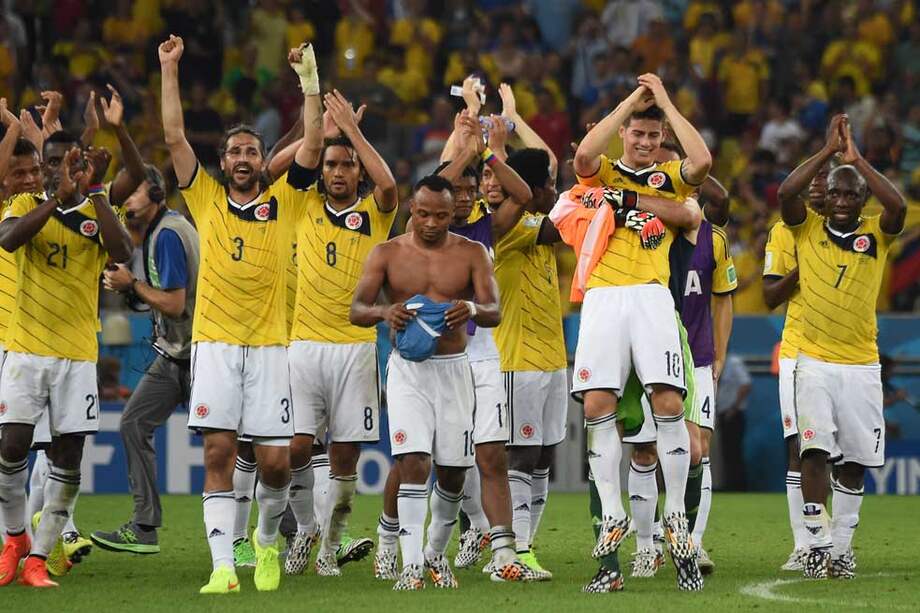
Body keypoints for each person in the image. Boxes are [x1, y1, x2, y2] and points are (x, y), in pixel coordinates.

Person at [159, 34, 298, 594]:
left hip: (269, 345)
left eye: (251, 152)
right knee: (217, 450)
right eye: (234, 153)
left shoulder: (283, 202)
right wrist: (170, 68)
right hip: (214, 342)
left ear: (263, 161)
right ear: (222, 163)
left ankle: (264, 541)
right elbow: (173, 135)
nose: (242, 159)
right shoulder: (206, 199)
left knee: (274, 466)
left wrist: (308, 88)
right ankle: (222, 567)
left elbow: (311, 144)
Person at [572, 74, 711, 591]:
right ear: (625, 133)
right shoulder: (601, 171)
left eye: (654, 136)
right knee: (596, 405)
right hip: (604, 297)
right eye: (638, 134)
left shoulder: (671, 176)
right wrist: (631, 100)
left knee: (669, 402)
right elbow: (584, 157)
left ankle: (675, 517)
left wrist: (667, 103)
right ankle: (612, 515)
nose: (646, 143)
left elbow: (703, 165)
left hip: (653, 296)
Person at [350, 175, 503, 590]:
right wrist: (385, 313)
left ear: (454, 212)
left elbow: (494, 311)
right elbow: (357, 308)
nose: (431, 223)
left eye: (440, 215)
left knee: (453, 472)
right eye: (422, 214)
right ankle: (412, 564)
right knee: (414, 462)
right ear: (411, 210)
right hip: (408, 371)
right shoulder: (387, 253)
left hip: (455, 369)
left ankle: (435, 554)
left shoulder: (472, 254)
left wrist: (470, 306)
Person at [282, 43, 398, 577]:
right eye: (330, 164)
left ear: (356, 172)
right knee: (297, 448)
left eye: (346, 166)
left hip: (355, 348)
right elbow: (278, 164)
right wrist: (322, 129)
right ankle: (305, 528)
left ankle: (329, 545)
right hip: (303, 344)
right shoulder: (303, 202)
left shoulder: (373, 215)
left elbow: (392, 185)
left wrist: (351, 132)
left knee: (346, 459)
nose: (338, 172)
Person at [0, 137, 132, 589]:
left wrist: (94, 192)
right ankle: (15, 538)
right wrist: (55, 201)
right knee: (12, 446)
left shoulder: (98, 209)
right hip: (25, 350)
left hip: (77, 355)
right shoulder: (24, 202)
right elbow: (9, 240)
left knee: (68, 456)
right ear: (44, 167)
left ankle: (38, 558)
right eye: (52, 162)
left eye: (69, 162)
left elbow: (124, 253)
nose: (60, 170)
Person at [778, 114, 906, 579]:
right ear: (826, 197)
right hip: (813, 362)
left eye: (852, 193)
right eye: (836, 192)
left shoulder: (876, 235)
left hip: (861, 367)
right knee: (813, 453)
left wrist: (857, 160)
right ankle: (815, 543)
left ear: (862, 198)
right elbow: (785, 194)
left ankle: (842, 550)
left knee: (853, 463)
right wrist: (828, 154)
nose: (843, 200)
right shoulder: (805, 229)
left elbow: (900, 208)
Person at [90, 164, 199, 555]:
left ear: (155, 193)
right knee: (134, 422)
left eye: (131, 191)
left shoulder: (167, 235)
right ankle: (145, 525)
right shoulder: (160, 230)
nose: (124, 199)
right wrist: (134, 292)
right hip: (179, 355)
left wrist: (131, 284)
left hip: (197, 357)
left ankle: (291, 528)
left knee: (241, 446)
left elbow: (173, 302)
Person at [763, 162, 830, 571]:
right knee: (799, 447)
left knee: (836, 453)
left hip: (845, 353)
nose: (821, 189)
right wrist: (807, 266)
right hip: (798, 351)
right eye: (815, 182)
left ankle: (834, 541)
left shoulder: (854, 234)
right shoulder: (784, 230)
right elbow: (770, 295)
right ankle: (804, 543)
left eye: (829, 181)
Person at [713, 353, 751, 491]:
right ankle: (729, 484)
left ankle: (739, 486)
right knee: (726, 452)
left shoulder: (733, 362)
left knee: (734, 451)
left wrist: (734, 408)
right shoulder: (713, 364)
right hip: (722, 414)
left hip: (734, 414)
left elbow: (746, 385)